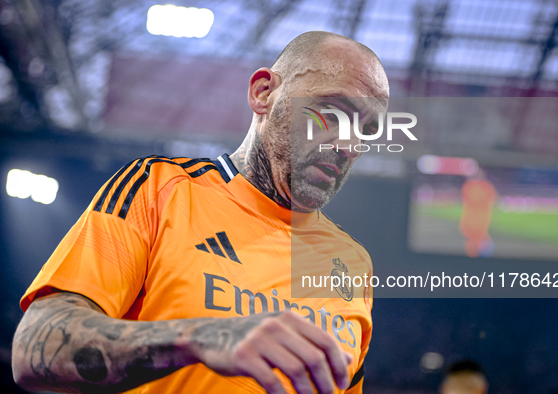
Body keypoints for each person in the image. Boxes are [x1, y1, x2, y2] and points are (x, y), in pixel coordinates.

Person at [11, 31, 389, 394]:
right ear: (263, 93)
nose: (349, 144)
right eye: (333, 111)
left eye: (367, 130)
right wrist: (199, 338)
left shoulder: (355, 264)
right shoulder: (159, 189)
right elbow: (34, 349)